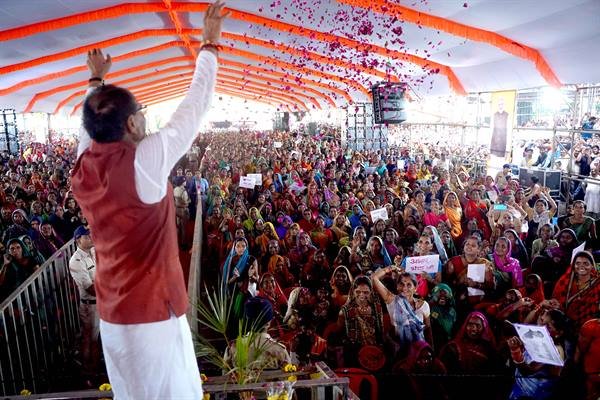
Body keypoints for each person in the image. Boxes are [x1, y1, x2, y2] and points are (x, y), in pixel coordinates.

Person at [70, 3, 228, 398]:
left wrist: (95, 81)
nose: (143, 118)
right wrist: (209, 45)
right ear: (131, 123)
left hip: (114, 316)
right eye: (140, 112)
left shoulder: (83, 166)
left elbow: (89, 128)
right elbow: (194, 108)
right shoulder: (143, 161)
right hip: (152, 316)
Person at [68, 226, 99, 384]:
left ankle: (95, 367)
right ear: (78, 240)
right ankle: (88, 371)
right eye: (86, 237)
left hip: (100, 303)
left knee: (95, 338)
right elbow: (90, 289)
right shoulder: (76, 261)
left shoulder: (93, 252)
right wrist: (112, 291)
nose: (91, 238)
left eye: (91, 235)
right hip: (89, 306)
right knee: (89, 338)